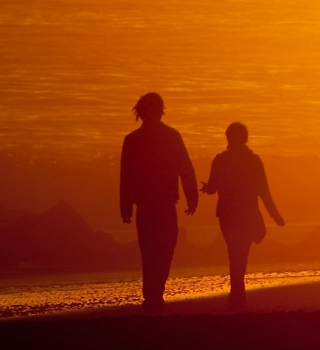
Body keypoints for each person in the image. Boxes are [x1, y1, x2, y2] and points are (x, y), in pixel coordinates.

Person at [120, 92, 198, 314]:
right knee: (165, 248)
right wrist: (192, 198)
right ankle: (155, 293)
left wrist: (126, 208)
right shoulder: (171, 136)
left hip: (145, 206)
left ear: (141, 112)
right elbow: (186, 169)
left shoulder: (132, 140)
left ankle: (152, 295)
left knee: (149, 251)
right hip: (163, 204)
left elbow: (125, 176)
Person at [201, 122, 285, 310]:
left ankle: (236, 295)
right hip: (247, 214)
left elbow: (213, 187)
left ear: (228, 138)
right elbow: (264, 191)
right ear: (245, 138)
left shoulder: (220, 160)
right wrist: (274, 214)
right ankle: (237, 295)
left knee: (234, 253)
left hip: (227, 214)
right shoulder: (254, 160)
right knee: (241, 255)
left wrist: (206, 188)